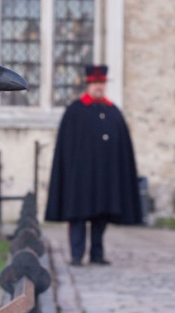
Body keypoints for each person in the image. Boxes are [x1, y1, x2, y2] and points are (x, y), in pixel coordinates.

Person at [44, 64, 142, 266]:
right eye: (95, 83)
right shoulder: (75, 112)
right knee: (78, 217)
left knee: (101, 216)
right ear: (88, 85)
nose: (99, 87)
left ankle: (97, 254)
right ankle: (77, 255)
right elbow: (66, 149)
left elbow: (122, 147)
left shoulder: (113, 111)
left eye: (102, 83)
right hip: (80, 178)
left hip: (106, 177)